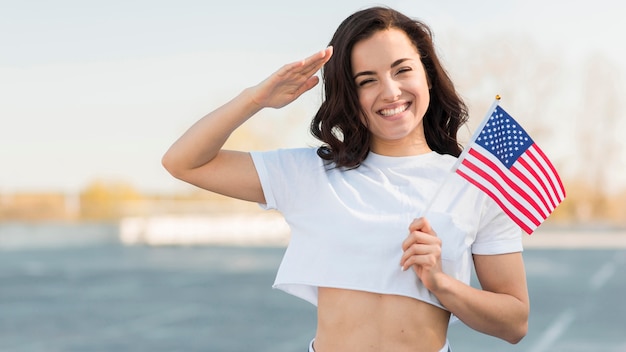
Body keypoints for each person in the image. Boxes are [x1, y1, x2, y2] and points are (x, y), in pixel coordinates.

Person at [162, 6, 529, 352]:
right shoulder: (310, 173)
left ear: (427, 75)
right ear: (349, 97)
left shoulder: (475, 182)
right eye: (366, 80)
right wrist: (255, 99)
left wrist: (441, 283)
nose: (390, 91)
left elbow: (514, 323)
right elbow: (184, 162)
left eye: (402, 70)